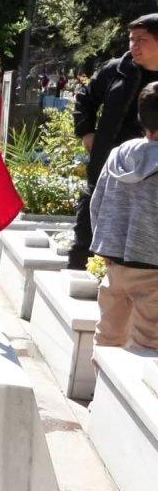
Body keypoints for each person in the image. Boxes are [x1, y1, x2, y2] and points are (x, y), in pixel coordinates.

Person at [70, 14, 158, 269]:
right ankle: (79, 273)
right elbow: (85, 99)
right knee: (86, 232)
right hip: (109, 165)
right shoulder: (118, 69)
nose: (134, 46)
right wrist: (87, 132)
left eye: (142, 40)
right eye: (131, 39)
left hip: (152, 176)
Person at [89, 82, 158, 348]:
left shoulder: (119, 154)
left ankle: (100, 388)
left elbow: (98, 203)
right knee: (149, 344)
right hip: (153, 267)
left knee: (109, 334)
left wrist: (104, 246)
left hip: (115, 263)